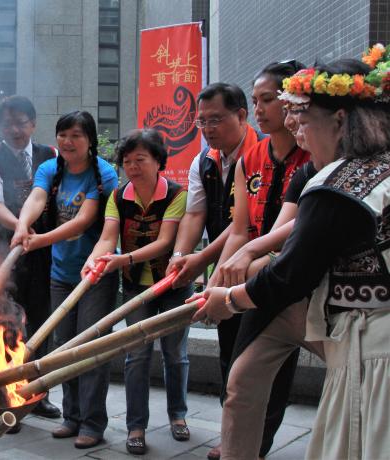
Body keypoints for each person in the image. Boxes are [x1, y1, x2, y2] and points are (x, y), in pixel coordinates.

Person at [193, 50, 390, 460]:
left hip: (370, 351)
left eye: (305, 119)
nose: (298, 128)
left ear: (339, 120)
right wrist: (239, 257)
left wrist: (228, 299)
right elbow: (274, 238)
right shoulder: (379, 168)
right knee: (244, 380)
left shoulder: (333, 185)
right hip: (363, 334)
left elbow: (290, 273)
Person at [207, 61, 312, 459]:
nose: (261, 109)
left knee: (274, 374)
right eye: (257, 100)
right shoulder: (249, 159)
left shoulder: (314, 155)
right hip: (253, 277)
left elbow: (298, 235)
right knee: (240, 367)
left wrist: (245, 265)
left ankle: (258, 444)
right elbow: (239, 230)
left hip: (293, 280)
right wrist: (215, 279)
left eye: (269, 99)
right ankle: (240, 443)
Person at [164, 83, 264, 459]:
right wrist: (181, 253)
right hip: (225, 267)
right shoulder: (203, 160)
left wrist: (206, 262)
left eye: (216, 120)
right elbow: (195, 213)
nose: (207, 129)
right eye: (201, 121)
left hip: (255, 267)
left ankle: (252, 440)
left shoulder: (261, 155)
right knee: (229, 354)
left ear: (242, 116)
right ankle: (235, 438)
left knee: (253, 358)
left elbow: (245, 223)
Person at [11, 111, 118, 449]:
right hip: (60, 274)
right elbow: (37, 199)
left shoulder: (103, 174)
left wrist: (39, 241)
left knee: (89, 348)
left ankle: (92, 423)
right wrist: (21, 226)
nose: (68, 142)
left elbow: (85, 220)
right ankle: (71, 417)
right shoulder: (50, 169)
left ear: (90, 140)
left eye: (76, 135)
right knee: (64, 347)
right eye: (63, 135)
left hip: (94, 275)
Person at [82, 129, 192, 455]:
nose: (133, 166)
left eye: (140, 159)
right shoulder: (118, 197)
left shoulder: (176, 195)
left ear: (158, 161)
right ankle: (136, 425)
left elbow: (165, 243)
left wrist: (122, 258)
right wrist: (95, 260)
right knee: (137, 355)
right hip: (134, 286)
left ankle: (178, 416)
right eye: (127, 161)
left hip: (172, 285)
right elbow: (107, 237)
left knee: (175, 354)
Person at [0, 95, 60, 419]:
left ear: (33, 124)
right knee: (5, 325)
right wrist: (21, 228)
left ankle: (37, 394)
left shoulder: (50, 156)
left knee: (41, 325)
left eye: (21, 122)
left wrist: (36, 235)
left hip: (43, 255)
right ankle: (6, 399)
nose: (15, 129)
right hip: (4, 255)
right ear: (1, 126)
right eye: (8, 123)